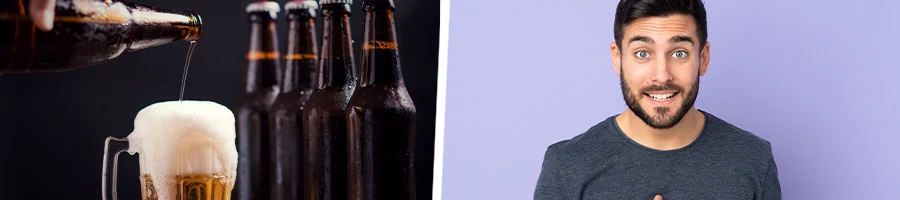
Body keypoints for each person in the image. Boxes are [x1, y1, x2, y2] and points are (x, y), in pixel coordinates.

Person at [533, 0, 782, 199]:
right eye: (642, 53)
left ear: (703, 58)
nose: (661, 75)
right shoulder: (566, 166)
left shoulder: (754, 160)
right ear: (617, 59)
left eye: (679, 53)